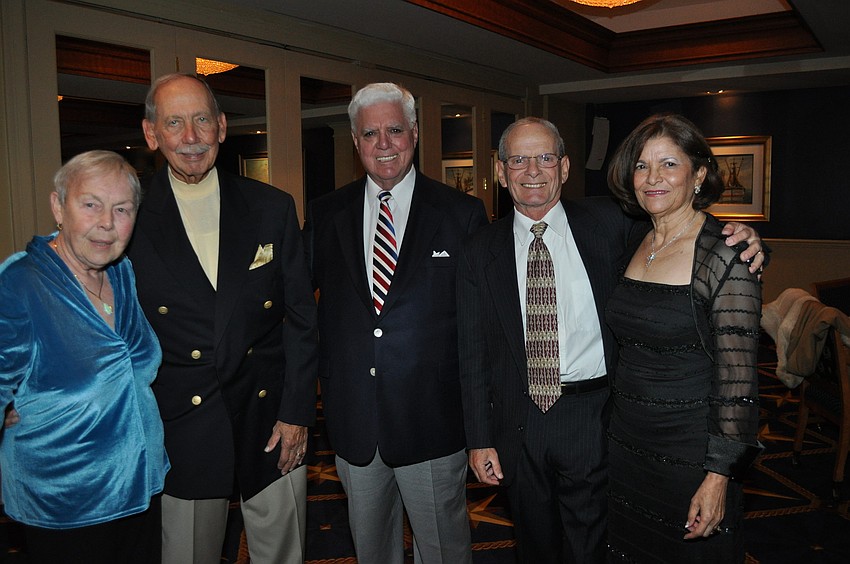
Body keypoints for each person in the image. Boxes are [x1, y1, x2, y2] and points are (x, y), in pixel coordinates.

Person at [457, 117, 765, 563]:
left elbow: (688, 230)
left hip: (599, 417)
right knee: (533, 546)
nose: (532, 171)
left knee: (598, 545)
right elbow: (471, 351)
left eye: (545, 157)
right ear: (501, 172)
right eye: (518, 160)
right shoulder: (478, 249)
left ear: (564, 167)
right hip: (517, 423)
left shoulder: (612, 222)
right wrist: (478, 437)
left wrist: (747, 237)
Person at [128, 73, 318, 564]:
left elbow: (301, 318)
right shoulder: (127, 216)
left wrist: (297, 413)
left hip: (270, 420)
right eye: (174, 123)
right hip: (183, 424)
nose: (190, 138)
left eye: (201, 121)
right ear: (152, 135)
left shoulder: (271, 207)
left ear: (222, 127)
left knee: (282, 553)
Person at [302, 82, 488, 564]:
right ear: (355, 141)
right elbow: (297, 304)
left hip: (432, 422)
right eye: (370, 134)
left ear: (415, 133)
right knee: (371, 550)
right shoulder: (326, 214)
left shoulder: (461, 213)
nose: (383, 144)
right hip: (353, 422)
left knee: (444, 550)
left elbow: (479, 327)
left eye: (394, 131)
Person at [604, 113, 762, 562]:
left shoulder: (725, 253)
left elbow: (739, 383)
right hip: (627, 444)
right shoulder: (634, 237)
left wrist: (719, 477)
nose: (652, 178)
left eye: (669, 164)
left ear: (699, 174)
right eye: (641, 165)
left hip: (691, 454)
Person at [0, 150, 168, 563]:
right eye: (90, 204)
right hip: (67, 501)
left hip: (139, 487)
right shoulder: (20, 282)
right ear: (58, 207)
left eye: (122, 209)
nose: (107, 223)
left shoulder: (121, 272)